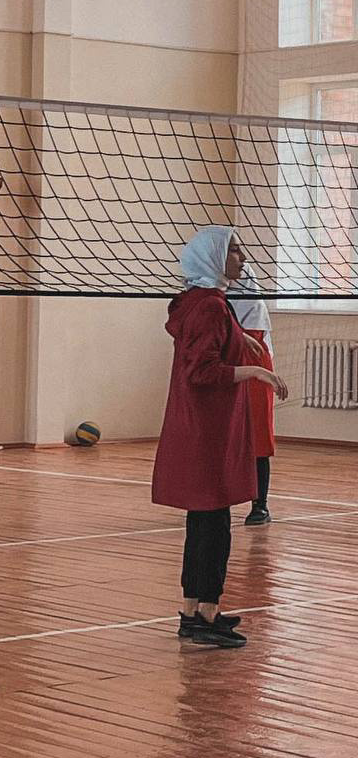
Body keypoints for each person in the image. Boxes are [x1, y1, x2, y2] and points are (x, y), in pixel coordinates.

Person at [151, 227, 287, 648]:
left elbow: (204, 338)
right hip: (208, 430)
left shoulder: (200, 301)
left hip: (199, 426)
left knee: (201, 524)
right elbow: (202, 371)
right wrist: (257, 372)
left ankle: (194, 610)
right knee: (214, 528)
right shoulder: (211, 306)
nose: (242, 258)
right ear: (214, 257)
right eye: (234, 251)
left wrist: (237, 336)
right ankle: (205, 615)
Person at [229, 267, 275, 526]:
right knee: (218, 438)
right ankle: (212, 501)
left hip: (254, 360)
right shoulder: (205, 297)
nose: (241, 258)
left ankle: (260, 505)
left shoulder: (251, 300)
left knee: (258, 437)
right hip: (224, 361)